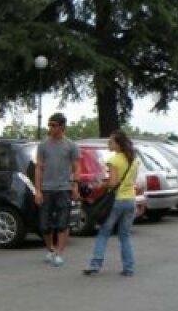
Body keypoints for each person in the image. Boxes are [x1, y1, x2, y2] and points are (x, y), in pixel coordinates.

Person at [82, 130, 140, 277]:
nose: (109, 144)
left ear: (118, 144)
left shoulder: (114, 160)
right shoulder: (134, 160)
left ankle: (95, 264)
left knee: (103, 232)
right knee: (124, 235)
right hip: (131, 200)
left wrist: (101, 185)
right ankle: (129, 268)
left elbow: (113, 182)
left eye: (111, 142)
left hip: (118, 200)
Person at [33, 111, 81, 267]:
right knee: (44, 224)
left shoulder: (71, 146)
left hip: (63, 188)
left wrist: (75, 186)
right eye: (49, 125)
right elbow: (39, 168)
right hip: (46, 189)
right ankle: (50, 249)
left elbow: (76, 168)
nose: (50, 128)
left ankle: (59, 253)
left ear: (62, 127)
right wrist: (38, 190)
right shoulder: (43, 146)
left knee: (62, 223)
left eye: (53, 125)